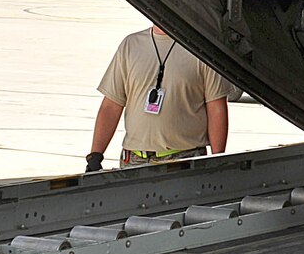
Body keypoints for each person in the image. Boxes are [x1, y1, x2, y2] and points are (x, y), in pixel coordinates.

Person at [86, 24, 233, 170]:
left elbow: (216, 108)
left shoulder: (201, 49)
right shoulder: (130, 45)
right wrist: (95, 155)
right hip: (134, 159)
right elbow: (111, 106)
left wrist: (217, 160)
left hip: (184, 158)